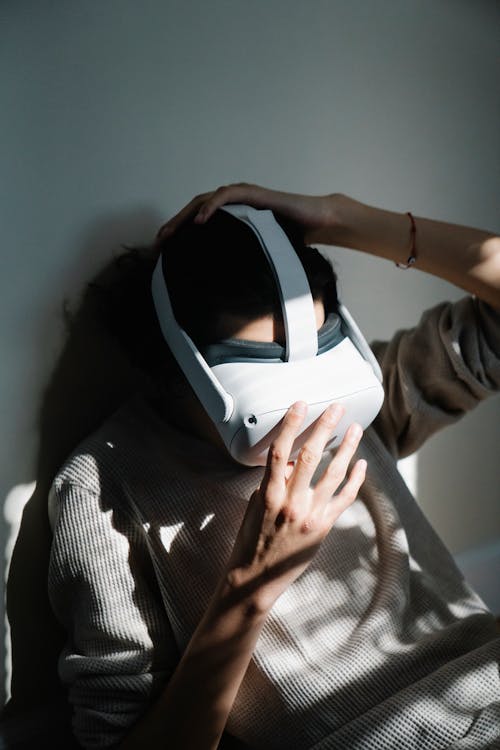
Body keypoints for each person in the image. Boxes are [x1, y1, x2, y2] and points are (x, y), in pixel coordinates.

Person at [47, 183, 500, 750]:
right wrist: (250, 587)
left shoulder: (354, 403)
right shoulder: (104, 488)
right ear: (176, 365)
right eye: (269, 380)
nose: (303, 410)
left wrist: (344, 217)